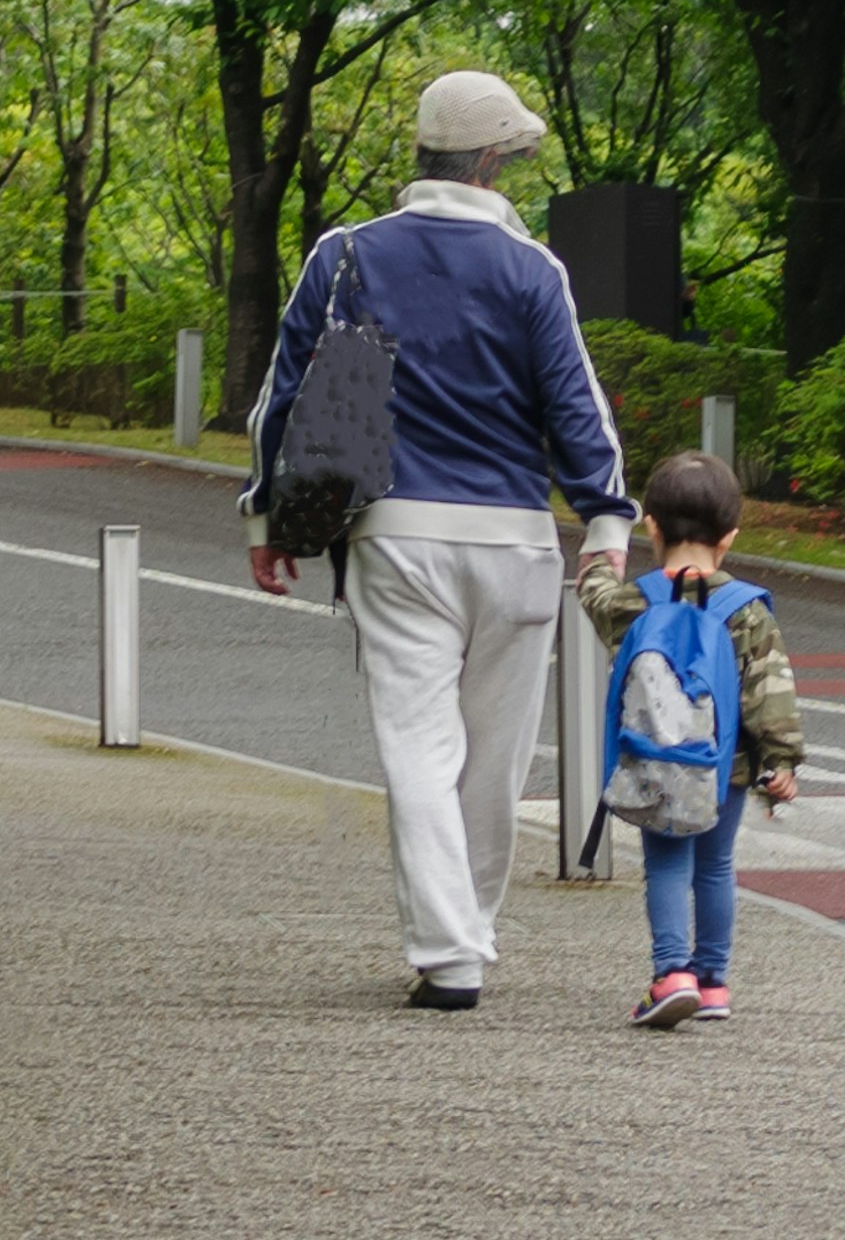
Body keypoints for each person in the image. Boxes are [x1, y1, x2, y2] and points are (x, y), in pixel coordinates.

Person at [244, 67, 630, 1010]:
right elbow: (576, 407)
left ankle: (449, 954)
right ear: (491, 161)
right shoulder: (535, 270)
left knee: (418, 746)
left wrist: (267, 515)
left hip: (395, 534)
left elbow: (283, 394)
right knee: (495, 758)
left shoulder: (347, 254)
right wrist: (606, 524)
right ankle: (474, 929)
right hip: (515, 542)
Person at [577, 449, 806, 1027]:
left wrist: (605, 556)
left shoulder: (638, 600)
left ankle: (670, 974)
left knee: (668, 866)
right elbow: (768, 690)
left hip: (656, 764)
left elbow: (596, 596)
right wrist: (780, 762)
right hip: (723, 765)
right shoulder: (747, 610)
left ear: (651, 527)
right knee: (715, 866)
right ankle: (712, 983)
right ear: (729, 537)